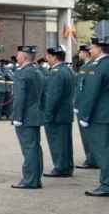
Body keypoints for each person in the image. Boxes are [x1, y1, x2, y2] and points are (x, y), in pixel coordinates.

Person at [76, 35, 109, 197]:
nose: (90, 50)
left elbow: (91, 93)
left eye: (93, 47)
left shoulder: (100, 66)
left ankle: (106, 184)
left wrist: (84, 115)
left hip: (100, 116)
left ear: (100, 49)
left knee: (103, 151)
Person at [10, 46, 45, 190]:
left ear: (24, 57)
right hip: (35, 114)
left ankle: (30, 180)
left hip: (25, 116)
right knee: (35, 147)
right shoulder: (38, 71)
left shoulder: (22, 73)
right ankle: (35, 178)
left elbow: (20, 97)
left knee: (29, 149)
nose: (16, 58)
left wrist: (17, 116)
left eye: (18, 55)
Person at [42, 47, 75, 179]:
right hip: (65, 113)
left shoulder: (56, 72)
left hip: (57, 114)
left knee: (57, 142)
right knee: (65, 142)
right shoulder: (67, 70)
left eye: (48, 56)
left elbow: (52, 96)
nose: (47, 59)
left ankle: (61, 167)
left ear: (54, 57)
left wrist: (48, 115)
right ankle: (67, 166)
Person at [75, 45, 99, 170]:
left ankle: (92, 159)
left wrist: (78, 104)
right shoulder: (88, 66)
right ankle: (91, 158)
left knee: (88, 135)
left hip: (85, 105)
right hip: (85, 104)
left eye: (81, 52)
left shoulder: (89, 67)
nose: (79, 54)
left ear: (86, 53)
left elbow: (84, 88)